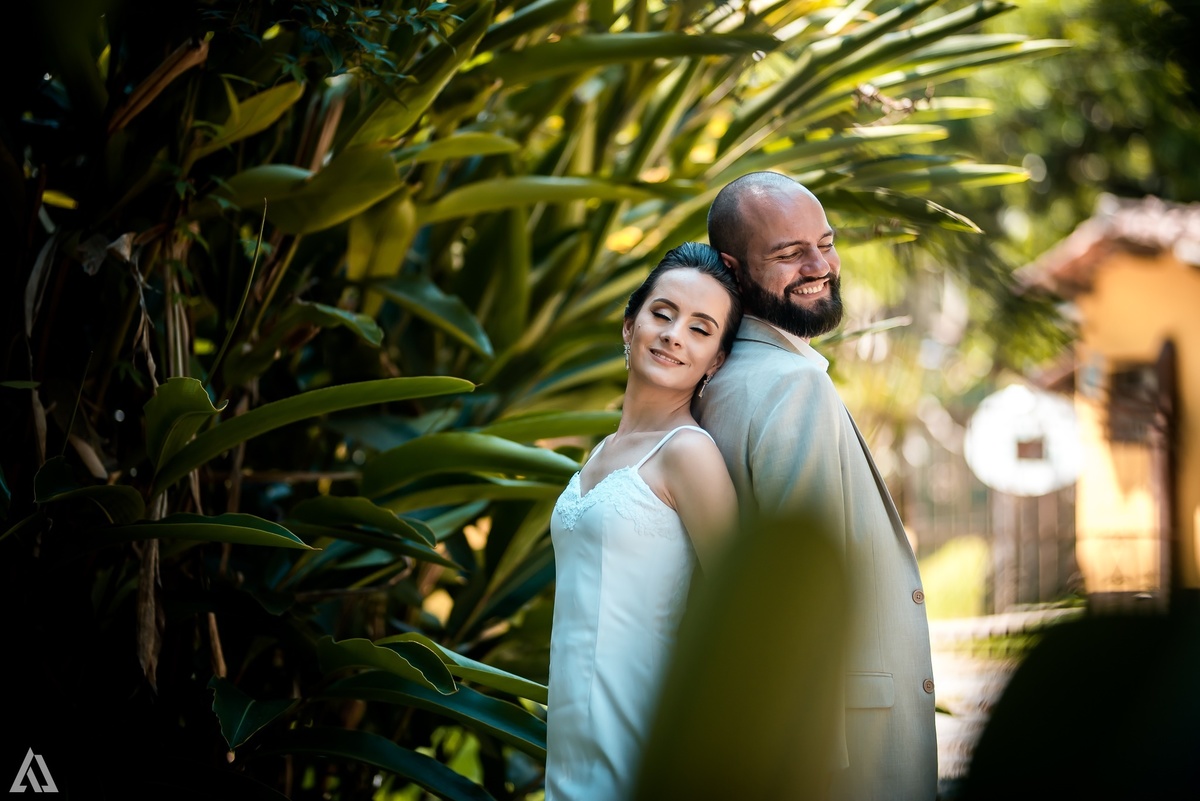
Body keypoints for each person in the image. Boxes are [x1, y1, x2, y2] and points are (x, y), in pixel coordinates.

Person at [693, 171, 937, 800]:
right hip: (844, 751)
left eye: (825, 243)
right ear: (733, 267)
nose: (818, 265)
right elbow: (799, 594)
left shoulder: (716, 380)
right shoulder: (791, 385)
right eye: (788, 253)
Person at [545, 242, 742, 801]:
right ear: (630, 326)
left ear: (716, 361)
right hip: (571, 742)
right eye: (662, 313)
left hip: (643, 744)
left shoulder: (689, 454)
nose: (674, 334)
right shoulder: (604, 448)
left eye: (701, 329)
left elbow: (742, 613)